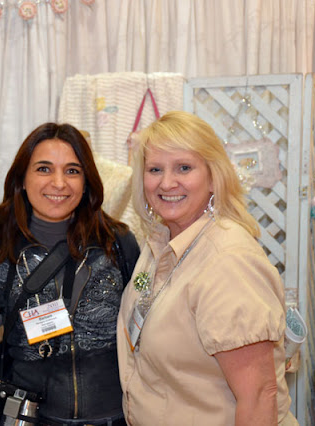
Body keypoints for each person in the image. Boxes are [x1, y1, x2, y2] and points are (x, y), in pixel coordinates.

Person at [117, 110, 298, 426]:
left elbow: (259, 396)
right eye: (155, 169)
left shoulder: (227, 259)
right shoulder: (159, 243)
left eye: (184, 168)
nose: (167, 182)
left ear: (214, 177)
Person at [0, 123, 140, 425]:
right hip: (29, 417)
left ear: (86, 181)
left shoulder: (117, 244)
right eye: (44, 169)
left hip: (111, 417)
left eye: (72, 171)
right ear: (22, 179)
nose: (59, 183)